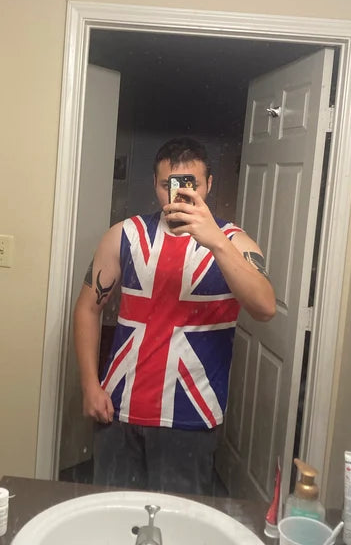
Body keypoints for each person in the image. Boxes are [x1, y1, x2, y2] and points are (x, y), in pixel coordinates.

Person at [73, 136, 275, 495]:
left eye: (189, 184)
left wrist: (215, 241)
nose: (178, 194)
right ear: (155, 184)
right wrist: (90, 384)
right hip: (118, 409)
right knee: (111, 517)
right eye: (168, 184)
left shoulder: (234, 242)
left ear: (208, 184)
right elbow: (88, 308)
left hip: (190, 417)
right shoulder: (125, 235)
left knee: (179, 521)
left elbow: (265, 308)